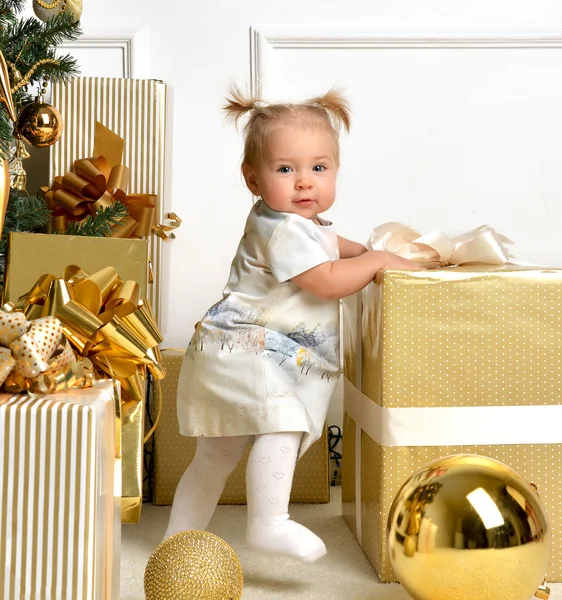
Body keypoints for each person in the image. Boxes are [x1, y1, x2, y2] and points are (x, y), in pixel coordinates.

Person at [164, 87, 426, 562]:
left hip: (231, 352)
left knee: (214, 459)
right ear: (253, 179)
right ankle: (268, 524)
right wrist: (376, 262)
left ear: (335, 171)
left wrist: (365, 252)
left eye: (318, 168)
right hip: (249, 352)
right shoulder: (284, 229)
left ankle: (175, 546)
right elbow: (325, 281)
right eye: (286, 169)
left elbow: (330, 245)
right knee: (282, 426)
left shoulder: (293, 222)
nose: (305, 182)